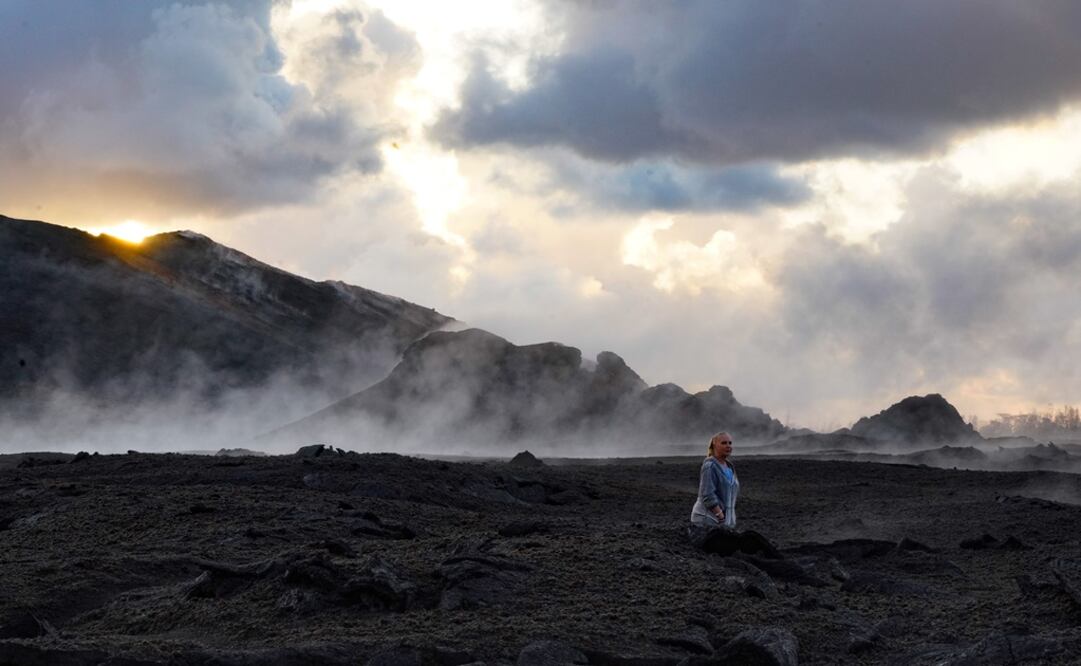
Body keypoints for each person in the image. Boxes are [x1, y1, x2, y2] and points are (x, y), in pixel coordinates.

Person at [690, 431, 739, 528]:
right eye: (724, 443)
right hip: (707, 519)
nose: (728, 446)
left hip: (722, 521)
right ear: (714, 445)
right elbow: (707, 494)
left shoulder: (729, 468)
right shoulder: (710, 466)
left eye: (730, 443)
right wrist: (720, 516)